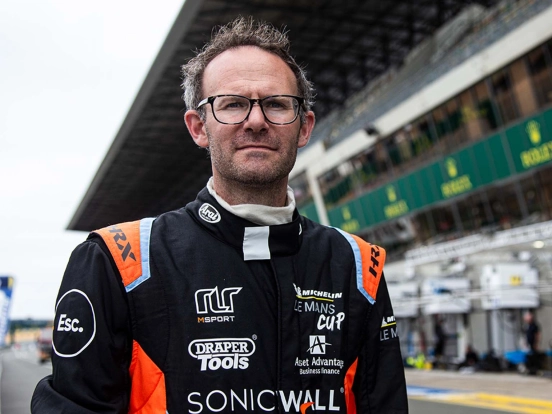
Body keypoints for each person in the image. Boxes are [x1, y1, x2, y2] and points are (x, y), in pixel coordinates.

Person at [31, 17, 408, 413]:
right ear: (198, 127)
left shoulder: (358, 267)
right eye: (233, 104)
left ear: (304, 127)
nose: (257, 121)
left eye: (277, 104)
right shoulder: (119, 262)